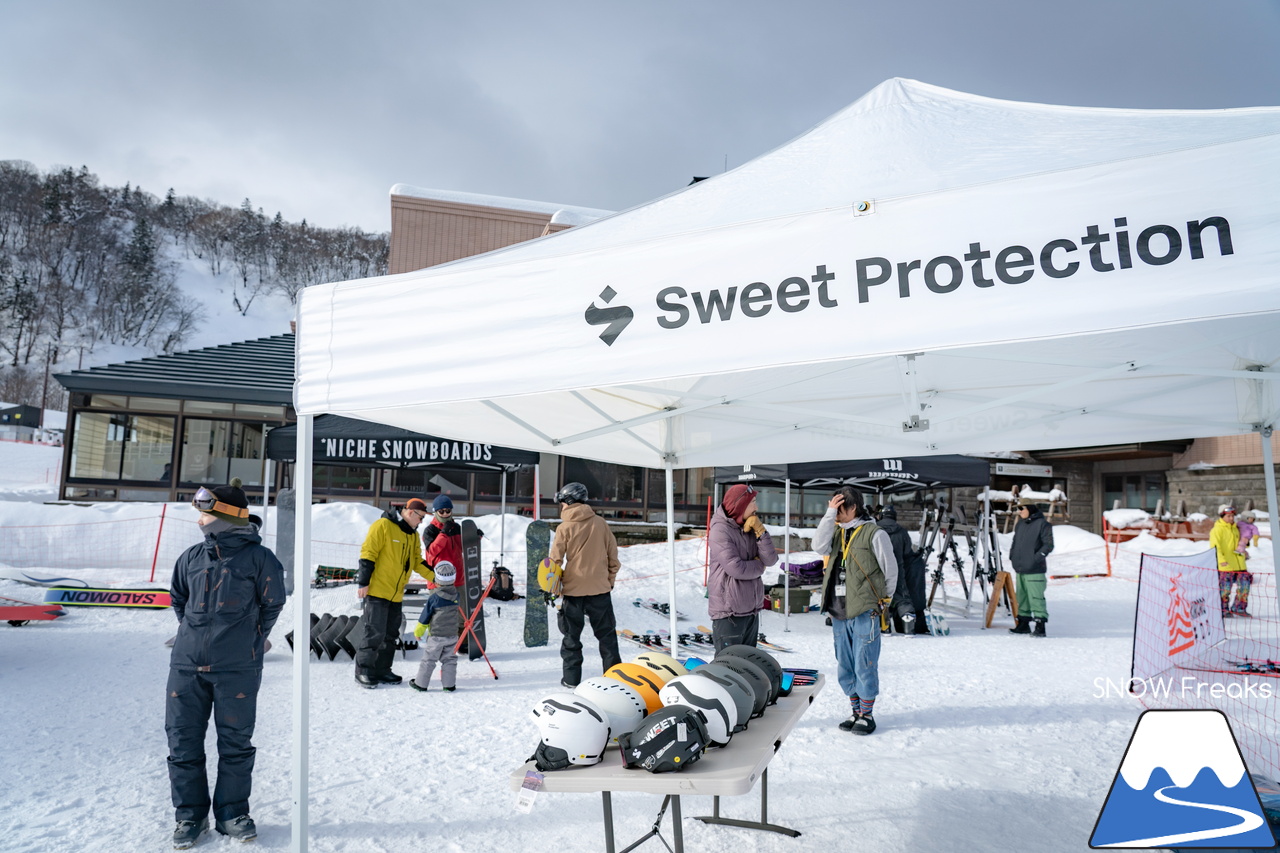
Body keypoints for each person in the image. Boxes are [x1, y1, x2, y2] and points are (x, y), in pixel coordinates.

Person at [166, 478, 284, 849]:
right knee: (182, 742)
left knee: (235, 743)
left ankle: (232, 813)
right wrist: (197, 635)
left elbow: (272, 605)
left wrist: (245, 638)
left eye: (203, 511)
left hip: (237, 668)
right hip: (186, 667)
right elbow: (179, 601)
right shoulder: (190, 557)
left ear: (224, 516)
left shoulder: (260, 559)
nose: (197, 519)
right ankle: (190, 815)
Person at [813, 486, 897, 735]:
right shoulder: (837, 532)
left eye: (839, 510)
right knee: (845, 664)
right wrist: (829, 515)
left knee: (865, 662)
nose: (836, 515)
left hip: (865, 609)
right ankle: (855, 710)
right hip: (839, 610)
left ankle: (867, 713)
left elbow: (890, 569)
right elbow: (818, 547)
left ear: (852, 508)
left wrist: (885, 600)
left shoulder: (874, 533)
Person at [354, 497, 433, 688]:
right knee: (374, 633)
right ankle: (363, 671)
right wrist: (363, 581)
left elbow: (416, 561)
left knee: (390, 635)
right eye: (421, 517)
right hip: (377, 591)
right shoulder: (383, 526)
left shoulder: (412, 535)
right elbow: (368, 553)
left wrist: (435, 577)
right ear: (410, 512)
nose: (421, 522)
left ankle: (383, 670)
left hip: (396, 594)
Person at [548, 482, 622, 688]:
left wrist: (554, 589)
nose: (561, 506)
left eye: (562, 502)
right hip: (600, 589)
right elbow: (613, 559)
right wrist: (609, 581)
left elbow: (554, 563)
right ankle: (615, 679)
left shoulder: (564, 528)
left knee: (571, 638)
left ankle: (571, 680)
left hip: (573, 591)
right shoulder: (601, 524)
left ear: (569, 502)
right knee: (607, 638)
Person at [708, 483, 778, 651]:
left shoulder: (750, 526)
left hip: (751, 610)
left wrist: (760, 531)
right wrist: (759, 566)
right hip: (729, 612)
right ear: (740, 505)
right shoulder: (720, 530)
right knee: (729, 666)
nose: (757, 507)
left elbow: (770, 559)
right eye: (752, 502)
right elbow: (736, 568)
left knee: (747, 666)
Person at [410, 560, 461, 692]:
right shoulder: (457, 595)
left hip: (436, 636)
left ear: (436, 579)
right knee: (449, 660)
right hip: (452, 635)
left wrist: (418, 632)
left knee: (429, 660)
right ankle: (449, 685)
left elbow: (425, 617)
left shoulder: (435, 598)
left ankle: (420, 684)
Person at [1008, 497, 1054, 636]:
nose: (1019, 511)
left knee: (1036, 598)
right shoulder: (1020, 525)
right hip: (1020, 568)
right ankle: (1023, 624)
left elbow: (1049, 545)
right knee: (1022, 597)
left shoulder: (1043, 524)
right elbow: (1015, 542)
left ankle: (1040, 626)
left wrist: (1036, 558)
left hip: (1034, 569)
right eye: (1018, 508)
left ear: (1030, 509)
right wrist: (1013, 556)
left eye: (1021, 508)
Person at [880, 505, 927, 635]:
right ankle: (908, 622)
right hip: (897, 570)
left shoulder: (873, 529)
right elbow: (907, 554)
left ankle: (885, 626)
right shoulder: (901, 531)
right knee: (902, 597)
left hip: (877, 570)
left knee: (879, 597)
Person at [1211, 505, 1251, 617]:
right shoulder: (1217, 529)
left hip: (1240, 563)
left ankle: (1239, 608)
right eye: (1228, 516)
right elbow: (1215, 547)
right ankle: (1223, 610)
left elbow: (1241, 541)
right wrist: (1221, 560)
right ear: (1222, 516)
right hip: (1225, 565)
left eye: (1232, 516)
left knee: (1245, 587)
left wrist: (1245, 546)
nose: (1231, 518)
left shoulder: (1236, 528)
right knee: (1225, 590)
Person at [422, 495, 464, 578]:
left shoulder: (456, 527)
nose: (445, 514)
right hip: (438, 578)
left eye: (448, 511)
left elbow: (463, 548)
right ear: (436, 512)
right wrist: (443, 534)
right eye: (441, 511)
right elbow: (432, 551)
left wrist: (475, 537)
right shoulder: (430, 530)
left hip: (457, 576)